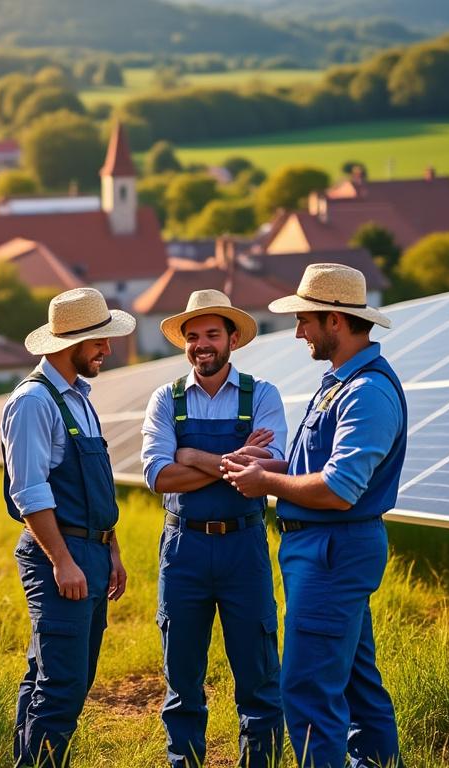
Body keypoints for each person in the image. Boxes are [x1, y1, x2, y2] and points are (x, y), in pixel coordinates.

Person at [223, 263, 406, 768]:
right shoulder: (340, 382)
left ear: (334, 321)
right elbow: (321, 469)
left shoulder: (367, 393)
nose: (298, 331)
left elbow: (341, 489)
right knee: (356, 686)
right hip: (326, 552)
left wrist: (266, 484)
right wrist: (273, 464)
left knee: (306, 692)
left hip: (333, 553)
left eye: (305, 320)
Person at [140, 289, 287, 767]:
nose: (202, 344)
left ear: (231, 340)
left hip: (244, 545)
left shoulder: (262, 394)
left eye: (211, 335)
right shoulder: (166, 399)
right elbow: (158, 476)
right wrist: (232, 459)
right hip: (183, 548)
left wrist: (191, 455)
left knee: (259, 678)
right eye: (193, 336)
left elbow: (266, 470)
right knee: (182, 679)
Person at [2, 287, 135, 767]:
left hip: (92, 553)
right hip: (62, 556)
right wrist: (63, 561)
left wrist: (112, 549)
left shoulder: (79, 399)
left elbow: (95, 486)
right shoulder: (34, 403)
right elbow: (30, 492)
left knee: (55, 675)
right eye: (99, 340)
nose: (107, 349)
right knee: (61, 688)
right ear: (68, 343)